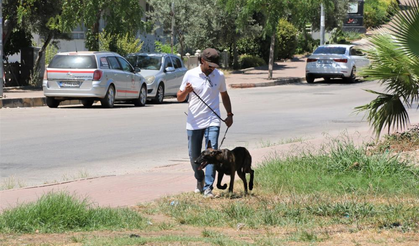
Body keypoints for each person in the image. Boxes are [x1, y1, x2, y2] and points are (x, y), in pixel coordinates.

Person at [177, 48, 233, 198]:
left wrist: (229, 114)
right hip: (194, 122)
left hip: (213, 120)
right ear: (202, 61)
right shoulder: (190, 74)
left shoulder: (219, 76)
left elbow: (224, 95)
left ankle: (208, 188)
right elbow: (179, 97)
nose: (212, 68)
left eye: (215, 65)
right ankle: (199, 179)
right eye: (210, 65)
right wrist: (186, 92)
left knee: (212, 153)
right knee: (193, 155)